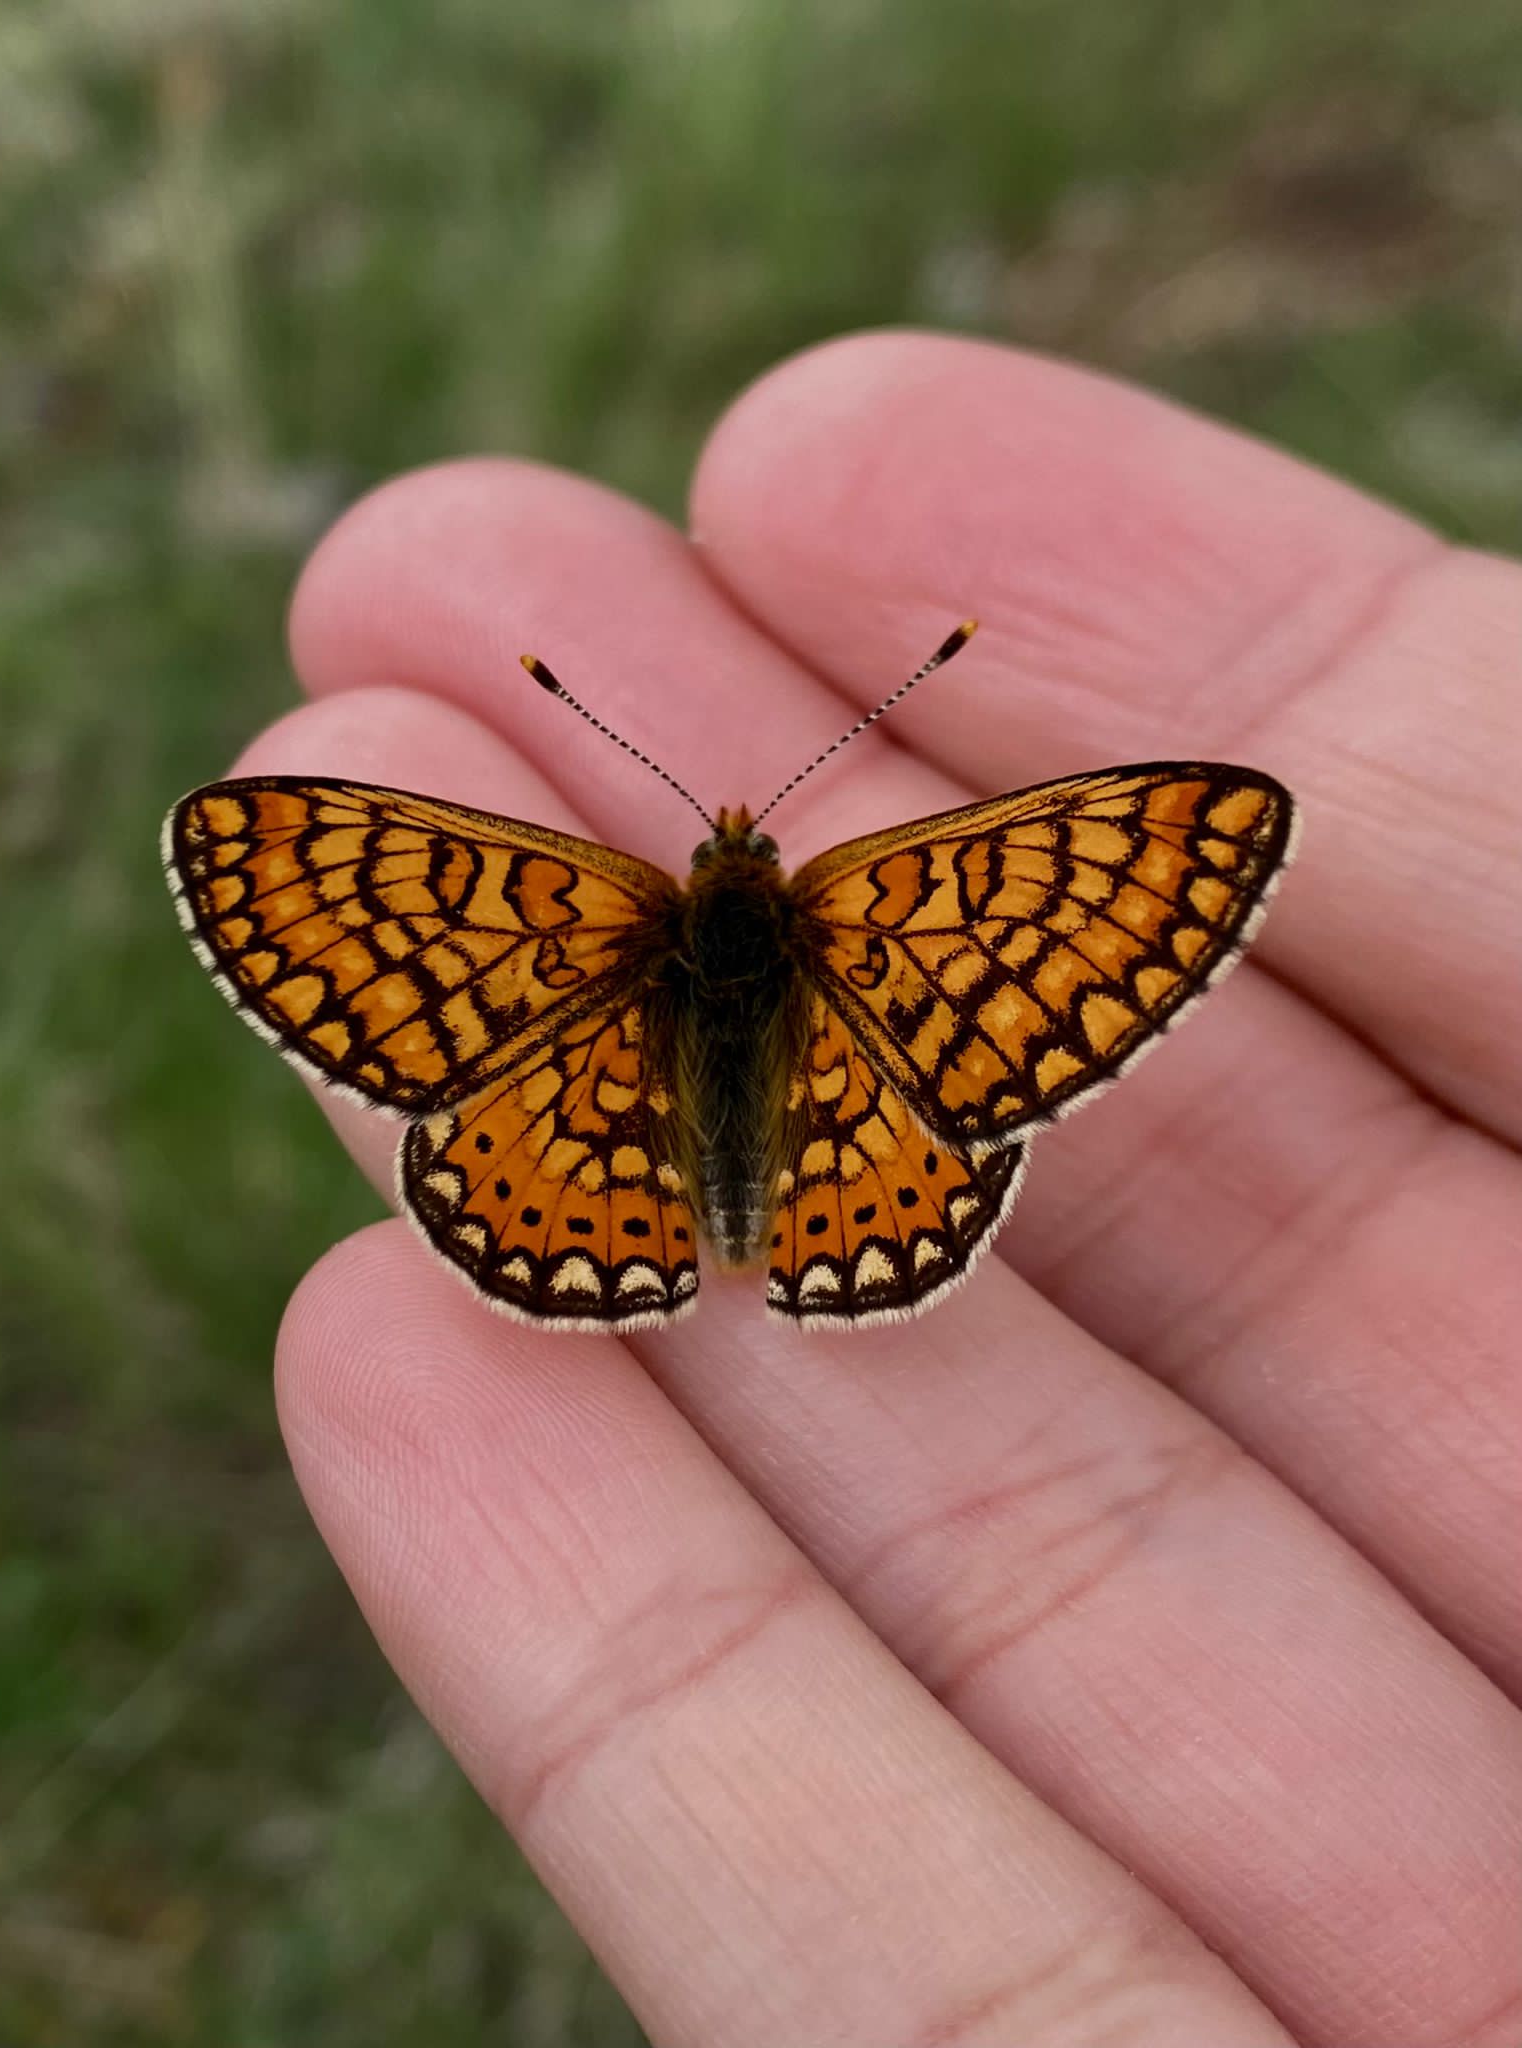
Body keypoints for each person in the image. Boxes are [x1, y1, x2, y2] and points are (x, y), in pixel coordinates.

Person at [239, 334, 1522, 2045]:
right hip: (868, 1134)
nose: (738, 856)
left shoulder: (555, 900)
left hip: (588, 1124)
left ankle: (622, 1230)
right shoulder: (935, 897)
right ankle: (776, 1226)